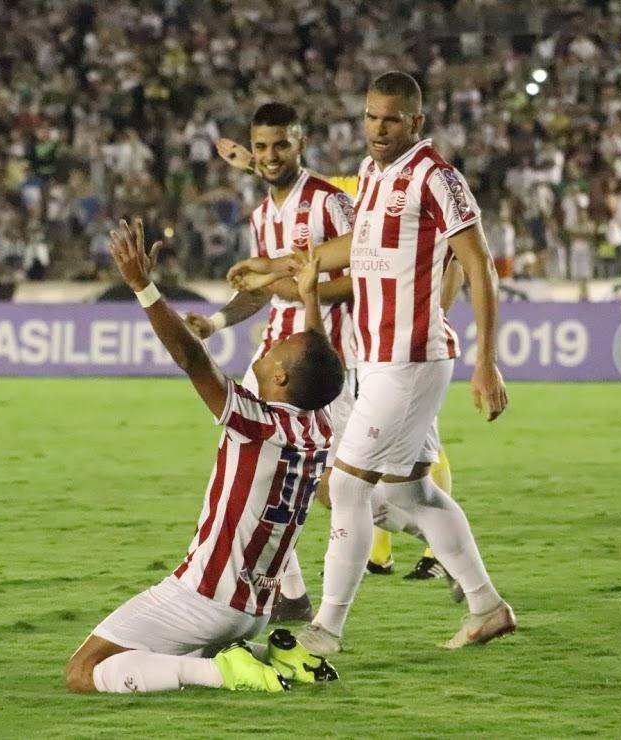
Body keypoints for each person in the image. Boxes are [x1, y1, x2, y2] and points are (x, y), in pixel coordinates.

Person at [228, 71, 515, 653]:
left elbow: (479, 263)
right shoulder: (372, 173)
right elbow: (352, 248)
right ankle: (487, 607)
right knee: (412, 495)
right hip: (377, 359)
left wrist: (487, 360)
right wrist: (273, 266)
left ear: (416, 122)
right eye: (371, 117)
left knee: (347, 486)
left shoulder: (436, 177)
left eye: (391, 119)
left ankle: (325, 629)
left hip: (410, 357)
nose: (378, 129)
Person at [65, 218, 344, 695]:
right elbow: (317, 360)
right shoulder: (318, 426)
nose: (267, 347)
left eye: (276, 349)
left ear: (280, 379)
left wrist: (143, 286)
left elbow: (192, 358)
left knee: (84, 670)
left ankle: (222, 673)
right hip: (255, 608)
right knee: (170, 651)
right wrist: (310, 297)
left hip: (205, 596)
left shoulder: (257, 424)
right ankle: (277, 656)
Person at [184, 102, 357, 623]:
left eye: (281, 144)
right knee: (255, 474)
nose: (271, 155)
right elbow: (260, 291)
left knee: (335, 488)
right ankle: (291, 595)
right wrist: (215, 323)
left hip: (323, 358)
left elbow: (365, 271)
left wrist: (300, 289)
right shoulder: (263, 215)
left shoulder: (329, 202)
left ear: (300, 143)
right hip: (271, 363)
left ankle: (429, 531)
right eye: (261, 146)